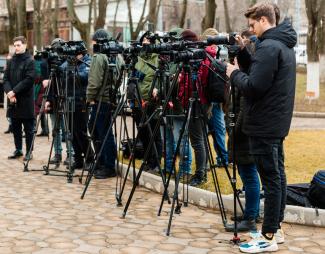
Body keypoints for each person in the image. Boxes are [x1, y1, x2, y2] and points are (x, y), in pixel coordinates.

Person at [226, 3, 297, 253]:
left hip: (264, 124)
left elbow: (255, 86)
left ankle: (267, 236)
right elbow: (262, 73)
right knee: (277, 175)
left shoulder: (269, 47)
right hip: (275, 123)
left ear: (264, 20)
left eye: (253, 24)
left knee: (271, 179)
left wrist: (234, 73)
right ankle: (275, 228)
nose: (251, 29)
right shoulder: (282, 45)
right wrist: (244, 53)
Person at [87, 29, 121, 179]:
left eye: (93, 42)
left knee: (103, 133)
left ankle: (107, 165)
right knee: (104, 132)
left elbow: (94, 81)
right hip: (110, 99)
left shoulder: (100, 56)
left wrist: (90, 97)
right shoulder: (116, 56)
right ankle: (103, 162)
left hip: (101, 99)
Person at [3, 36, 35, 161]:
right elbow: (5, 79)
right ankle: (18, 149)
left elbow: (29, 79)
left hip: (25, 100)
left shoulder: (30, 61)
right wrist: (9, 93)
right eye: (15, 45)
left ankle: (29, 152)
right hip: (13, 100)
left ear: (25, 45)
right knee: (15, 127)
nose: (16, 47)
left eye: (19, 45)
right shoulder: (11, 61)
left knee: (28, 129)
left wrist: (14, 91)